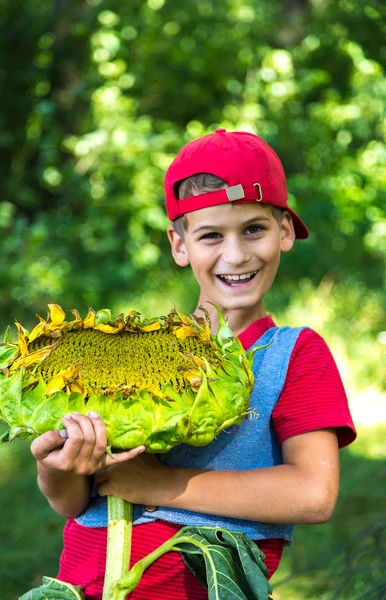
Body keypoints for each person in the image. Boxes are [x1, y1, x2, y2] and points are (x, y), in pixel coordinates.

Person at [31, 129, 356, 600]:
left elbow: (313, 494)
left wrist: (160, 484)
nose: (236, 254)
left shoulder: (293, 355)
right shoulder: (130, 347)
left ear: (284, 231)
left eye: (253, 229)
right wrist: (57, 468)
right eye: (210, 235)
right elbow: (73, 501)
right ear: (179, 244)